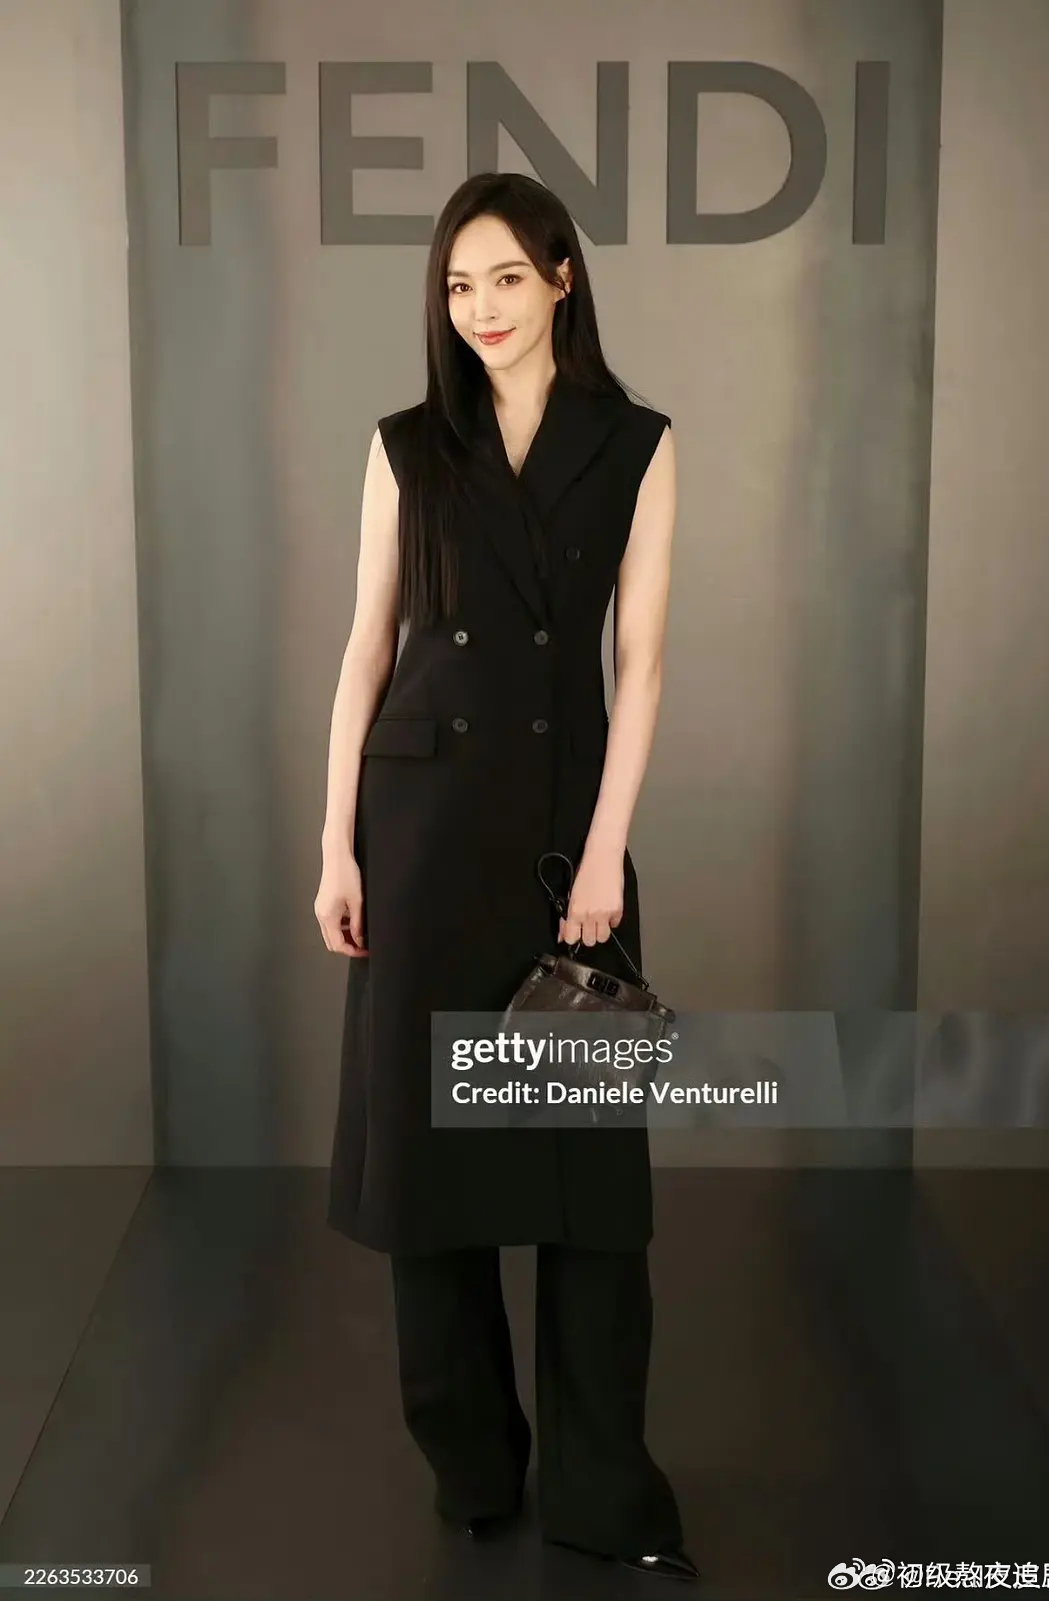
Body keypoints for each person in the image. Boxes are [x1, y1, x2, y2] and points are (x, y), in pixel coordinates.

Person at [314, 171, 699, 1584]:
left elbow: (638, 665)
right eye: (457, 285)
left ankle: (603, 1490)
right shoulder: (409, 446)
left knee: (587, 1187)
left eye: (505, 279)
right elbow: (366, 649)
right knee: (434, 1178)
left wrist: (602, 855)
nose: (479, 308)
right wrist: (335, 841)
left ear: (562, 279)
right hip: (419, 833)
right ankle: (472, 1466)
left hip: (558, 840)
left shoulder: (637, 442)